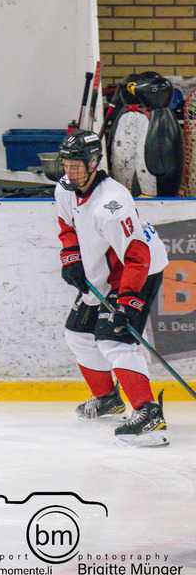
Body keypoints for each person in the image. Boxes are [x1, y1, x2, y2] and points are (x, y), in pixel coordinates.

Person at [56, 129, 169, 446]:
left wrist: (127, 303)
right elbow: (67, 227)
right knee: (77, 333)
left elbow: (137, 256)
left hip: (137, 273)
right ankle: (107, 399)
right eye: (66, 163)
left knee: (114, 339)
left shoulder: (112, 203)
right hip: (104, 273)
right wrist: (72, 259)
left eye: (76, 164)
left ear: (93, 163)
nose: (69, 170)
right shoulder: (65, 189)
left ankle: (148, 414)